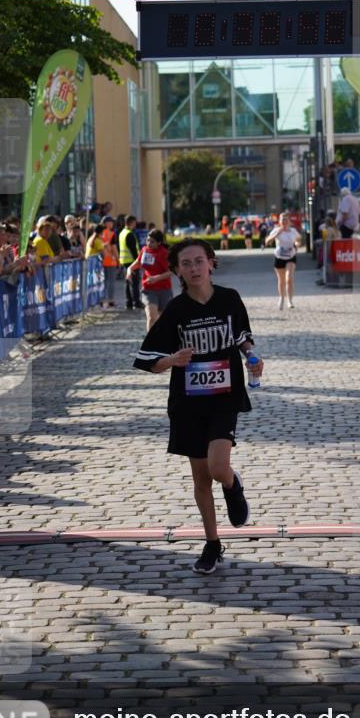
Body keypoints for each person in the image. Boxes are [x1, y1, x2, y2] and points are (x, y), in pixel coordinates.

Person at [133, 237, 263, 575]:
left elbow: (242, 338)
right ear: (176, 270)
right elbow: (147, 359)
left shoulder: (230, 299)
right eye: (185, 264)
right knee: (202, 478)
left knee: (219, 468)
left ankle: (234, 488)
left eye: (198, 261)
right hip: (188, 403)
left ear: (211, 263)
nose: (193, 268)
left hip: (225, 396)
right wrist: (172, 360)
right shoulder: (176, 310)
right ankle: (212, 543)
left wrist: (251, 357)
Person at [126, 228, 172, 330]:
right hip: (148, 289)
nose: (149, 243)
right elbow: (138, 263)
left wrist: (156, 278)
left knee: (162, 319)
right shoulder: (144, 250)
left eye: (152, 242)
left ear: (159, 243)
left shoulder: (164, 253)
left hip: (164, 289)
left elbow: (171, 272)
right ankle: (150, 343)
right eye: (147, 240)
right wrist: (129, 269)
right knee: (151, 317)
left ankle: (162, 341)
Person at [265, 212, 301, 310]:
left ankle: (290, 300)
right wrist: (277, 233)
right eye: (282, 220)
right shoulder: (276, 230)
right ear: (279, 221)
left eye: (286, 220)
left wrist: (297, 244)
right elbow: (267, 241)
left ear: (288, 221)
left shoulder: (293, 231)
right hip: (279, 257)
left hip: (291, 256)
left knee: (289, 279)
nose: (284, 222)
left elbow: (298, 239)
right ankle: (281, 298)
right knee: (281, 280)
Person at [118, 215, 142, 310]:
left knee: (128, 283)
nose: (135, 224)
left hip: (124, 261)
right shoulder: (129, 234)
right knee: (134, 283)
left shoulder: (122, 233)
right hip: (131, 262)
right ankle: (136, 302)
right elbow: (133, 250)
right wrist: (138, 262)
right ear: (132, 222)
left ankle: (129, 302)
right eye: (135, 222)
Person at [101, 214, 120, 307]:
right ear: (106, 223)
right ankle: (111, 300)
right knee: (111, 281)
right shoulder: (111, 233)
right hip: (110, 260)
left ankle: (102, 299)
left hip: (100, 260)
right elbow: (114, 248)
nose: (112, 223)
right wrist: (118, 259)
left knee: (103, 281)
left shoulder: (99, 233)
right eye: (111, 221)